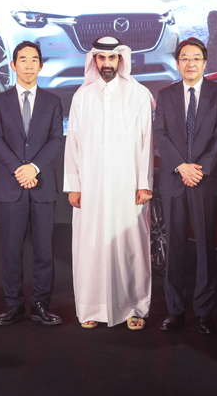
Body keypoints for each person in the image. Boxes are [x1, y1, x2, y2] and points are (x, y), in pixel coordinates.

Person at [63, 36, 154, 329]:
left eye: (111, 58)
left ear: (120, 60)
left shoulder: (138, 94)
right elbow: (72, 145)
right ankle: (91, 307)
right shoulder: (82, 96)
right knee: (91, 245)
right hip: (90, 187)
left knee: (131, 246)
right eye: (101, 58)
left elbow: (146, 144)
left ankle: (135, 308)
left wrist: (144, 183)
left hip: (128, 187)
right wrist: (74, 185)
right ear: (94, 61)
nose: (106, 64)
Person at [153, 38, 217, 334]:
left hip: (206, 181)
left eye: (196, 58)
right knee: (174, 249)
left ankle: (203, 312)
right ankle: (175, 311)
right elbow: (160, 134)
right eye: (184, 58)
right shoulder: (166, 94)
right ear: (177, 63)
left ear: (205, 62)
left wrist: (200, 169)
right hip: (175, 180)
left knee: (204, 248)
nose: (190, 63)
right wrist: (181, 166)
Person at [0, 42, 65, 327]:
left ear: (41, 66)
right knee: (11, 250)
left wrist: (33, 167)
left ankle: (42, 305)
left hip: (43, 186)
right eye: (23, 59)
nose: (29, 65)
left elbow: (56, 139)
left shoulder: (53, 101)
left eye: (34, 60)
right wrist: (19, 169)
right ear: (13, 65)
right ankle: (14, 305)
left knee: (44, 250)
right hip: (11, 186)